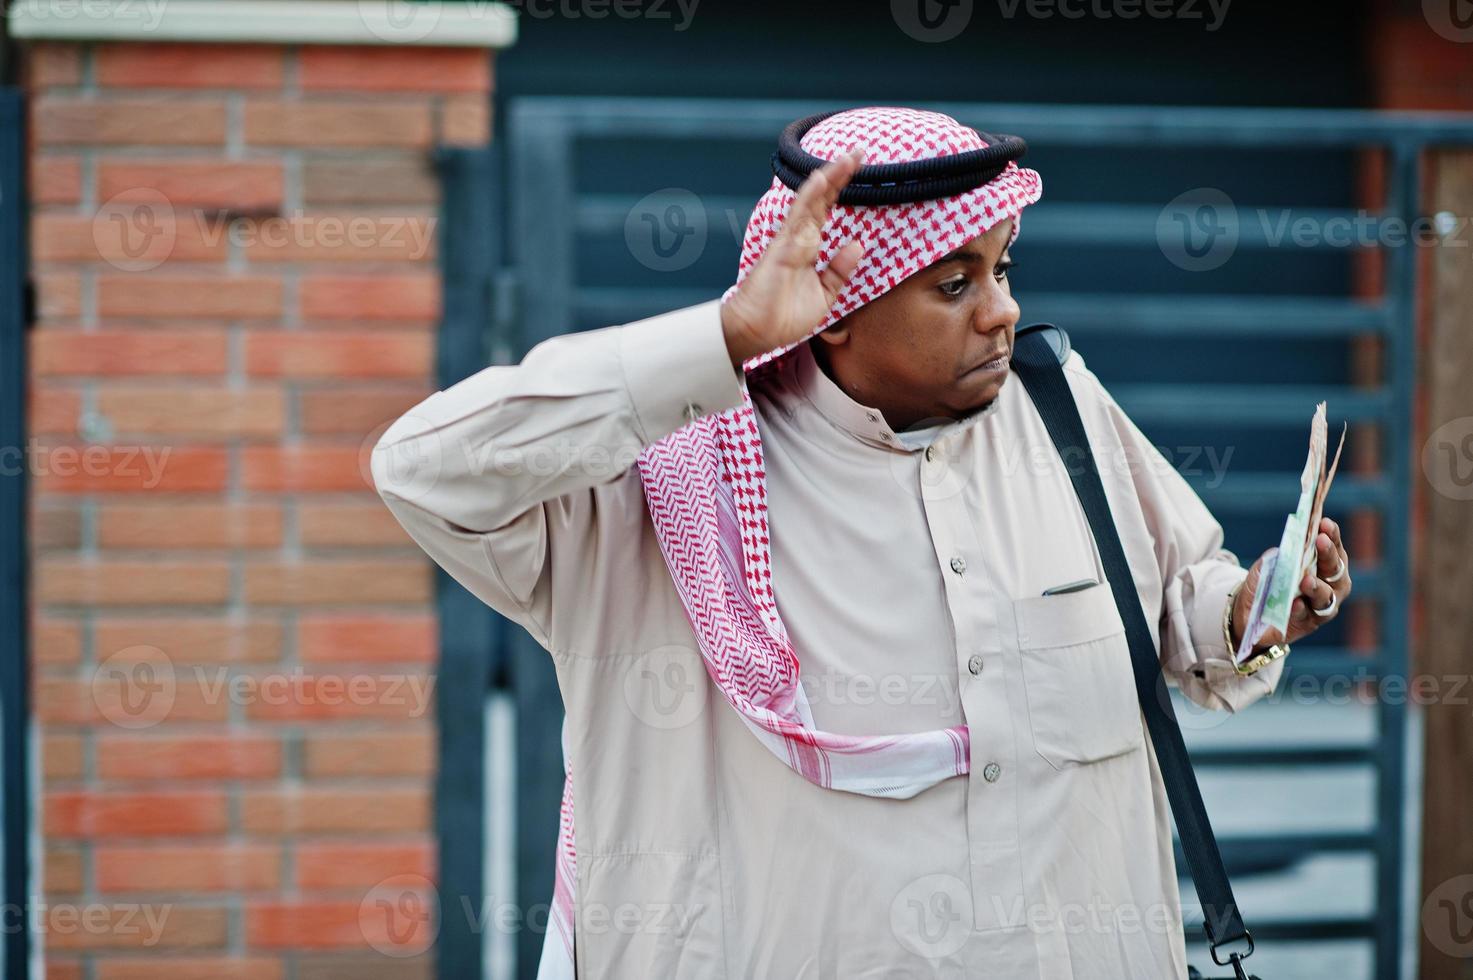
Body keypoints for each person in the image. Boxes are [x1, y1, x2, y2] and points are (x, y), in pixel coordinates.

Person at [371, 106, 1353, 979]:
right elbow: (425, 468)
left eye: (1003, 267)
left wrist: (1249, 606)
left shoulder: (1061, 407)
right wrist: (720, 339)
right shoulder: (652, 484)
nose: (1002, 308)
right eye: (954, 282)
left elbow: (1176, 608)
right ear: (836, 313)